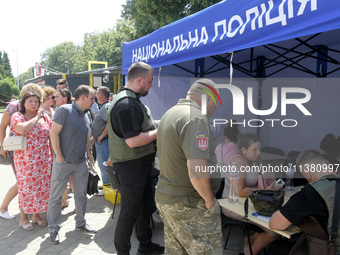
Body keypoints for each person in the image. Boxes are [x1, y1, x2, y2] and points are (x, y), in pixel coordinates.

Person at [155, 78, 223, 254]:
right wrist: (210, 201)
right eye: (215, 104)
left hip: (168, 198)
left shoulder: (170, 113)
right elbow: (196, 170)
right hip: (189, 204)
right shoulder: (196, 118)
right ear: (209, 98)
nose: (214, 110)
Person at [107, 62, 164, 255]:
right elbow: (132, 140)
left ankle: (145, 246)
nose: (151, 85)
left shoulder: (132, 100)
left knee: (143, 209)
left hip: (140, 167)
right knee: (129, 214)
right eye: (149, 81)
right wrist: (161, 130)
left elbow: (143, 126)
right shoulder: (127, 104)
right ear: (139, 80)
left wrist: (163, 122)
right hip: (131, 168)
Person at [47, 85, 97, 244]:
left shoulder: (86, 114)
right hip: (63, 163)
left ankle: (80, 223)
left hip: (80, 163)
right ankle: (53, 229)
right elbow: (53, 133)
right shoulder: (64, 111)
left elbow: (85, 136)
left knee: (81, 194)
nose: (93, 101)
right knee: (55, 197)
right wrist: (59, 157)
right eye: (92, 98)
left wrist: (88, 153)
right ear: (83, 97)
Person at [269, 149, 339, 254]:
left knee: (275, 247)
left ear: (307, 173)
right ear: (327, 164)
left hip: (331, 250)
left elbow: (275, 223)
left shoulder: (311, 193)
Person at [221, 133, 278, 255]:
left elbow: (260, 181)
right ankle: (249, 252)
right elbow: (240, 191)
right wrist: (264, 191)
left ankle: (251, 239)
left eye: (259, 149)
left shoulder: (254, 160)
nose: (258, 153)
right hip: (233, 205)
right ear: (244, 150)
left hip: (250, 202)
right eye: (255, 150)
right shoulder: (237, 161)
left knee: (278, 222)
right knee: (275, 230)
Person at [0, 83, 45, 220]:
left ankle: (31, 211)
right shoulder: (14, 106)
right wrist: (2, 146)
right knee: (21, 182)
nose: (33, 100)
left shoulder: (39, 107)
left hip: (35, 153)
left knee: (30, 182)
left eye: (35, 94)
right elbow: (2, 126)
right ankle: (4, 208)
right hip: (18, 149)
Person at [11, 91, 52, 230]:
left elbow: (51, 134)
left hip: (43, 160)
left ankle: (36, 215)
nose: (34, 104)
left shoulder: (45, 117)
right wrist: (37, 117)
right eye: (30, 101)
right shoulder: (17, 116)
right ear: (23, 103)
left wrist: (54, 154)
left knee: (40, 188)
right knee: (26, 188)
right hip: (25, 160)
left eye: (36, 101)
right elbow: (22, 130)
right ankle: (23, 219)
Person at [91, 86, 110, 190]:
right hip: (101, 141)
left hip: (103, 142)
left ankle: (107, 188)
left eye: (96, 93)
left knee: (104, 166)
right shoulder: (104, 106)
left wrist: (102, 135)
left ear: (101, 95)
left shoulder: (106, 106)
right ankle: (107, 186)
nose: (95, 96)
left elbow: (109, 121)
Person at [215, 123, 240, 198]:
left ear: (225, 137)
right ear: (237, 137)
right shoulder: (238, 151)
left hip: (219, 179)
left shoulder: (219, 147)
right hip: (231, 183)